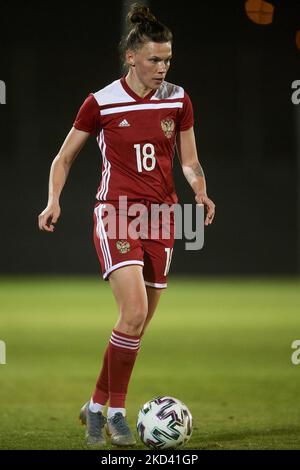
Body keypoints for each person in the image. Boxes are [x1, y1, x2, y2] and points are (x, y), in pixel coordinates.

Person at [38, 3, 215, 447]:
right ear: (131, 57)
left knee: (135, 324)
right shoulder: (100, 102)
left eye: (167, 60)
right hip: (116, 213)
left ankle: (95, 405)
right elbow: (64, 157)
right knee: (133, 313)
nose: (162, 68)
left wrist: (199, 189)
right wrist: (53, 199)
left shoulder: (179, 98)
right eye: (154, 59)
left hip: (162, 218)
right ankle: (115, 413)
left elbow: (189, 161)